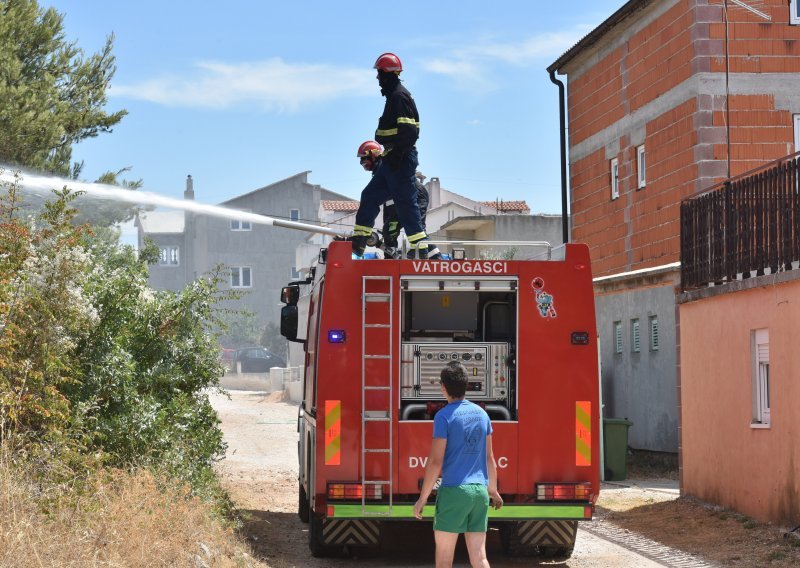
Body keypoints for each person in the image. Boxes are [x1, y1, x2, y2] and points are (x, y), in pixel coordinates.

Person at [413, 361, 503, 568]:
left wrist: (422, 498)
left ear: (443, 387)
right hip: (480, 493)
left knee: (444, 559)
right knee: (480, 557)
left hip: (454, 491)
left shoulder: (443, 416)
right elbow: (489, 458)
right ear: (467, 385)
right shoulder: (482, 414)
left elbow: (435, 461)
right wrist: (493, 491)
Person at [352, 52, 433, 259]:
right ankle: (358, 245)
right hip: (391, 161)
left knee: (406, 204)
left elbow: (411, 132)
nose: (378, 79)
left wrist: (397, 156)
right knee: (369, 196)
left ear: (387, 74)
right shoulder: (393, 97)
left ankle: (422, 249)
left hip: (400, 160)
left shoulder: (399, 96)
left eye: (379, 74)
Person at [356, 140, 440, 259]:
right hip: (400, 198)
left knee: (417, 228)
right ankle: (391, 259)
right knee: (389, 230)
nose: (362, 162)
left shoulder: (384, 167)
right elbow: (387, 204)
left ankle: (436, 258)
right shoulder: (379, 172)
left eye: (364, 158)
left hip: (416, 194)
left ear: (374, 155)